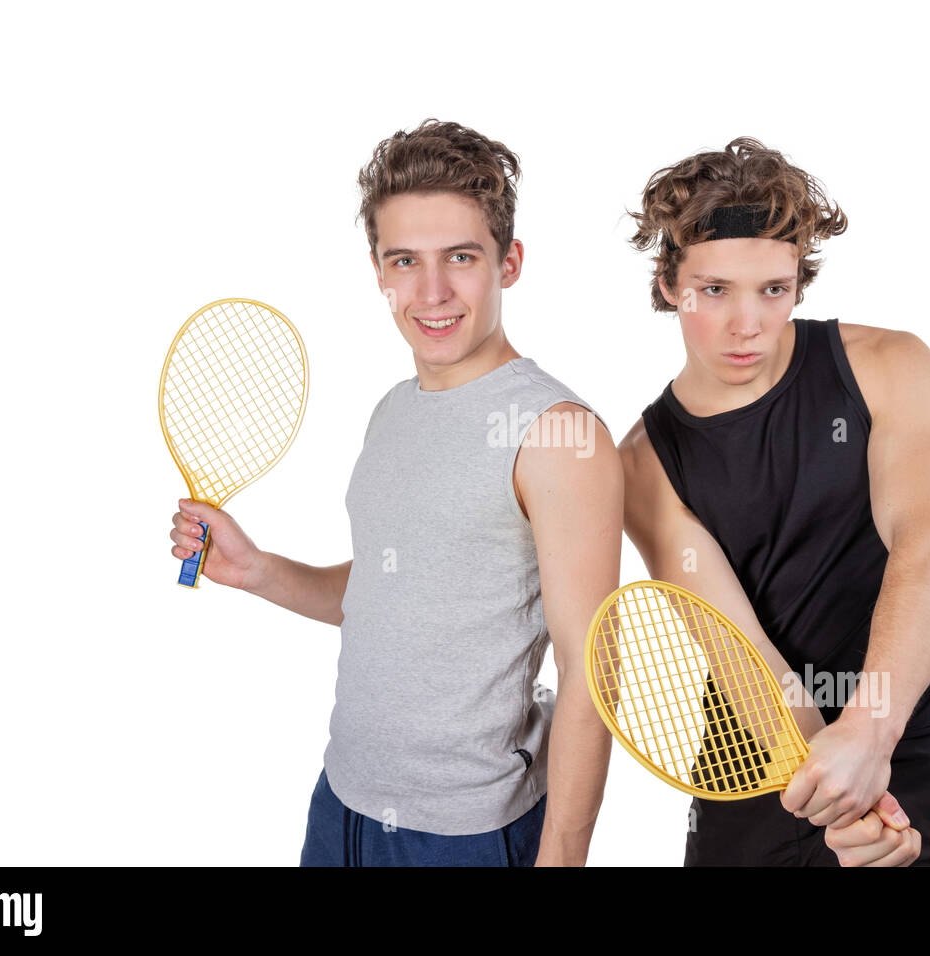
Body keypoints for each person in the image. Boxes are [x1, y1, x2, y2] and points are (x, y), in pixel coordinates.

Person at [168, 119, 621, 866]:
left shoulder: (557, 435)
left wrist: (562, 861)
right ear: (378, 270)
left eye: (461, 258)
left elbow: (591, 672)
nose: (432, 291)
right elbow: (392, 593)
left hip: (466, 835)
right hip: (340, 802)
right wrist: (256, 571)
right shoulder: (394, 407)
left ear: (509, 263)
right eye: (405, 260)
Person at [618, 137, 930, 866]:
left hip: (908, 730)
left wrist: (870, 738)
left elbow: (927, 550)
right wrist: (834, 781)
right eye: (714, 290)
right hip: (758, 748)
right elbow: (740, 648)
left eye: (773, 291)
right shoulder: (645, 463)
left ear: (798, 284)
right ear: (669, 284)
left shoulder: (887, 366)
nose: (746, 323)